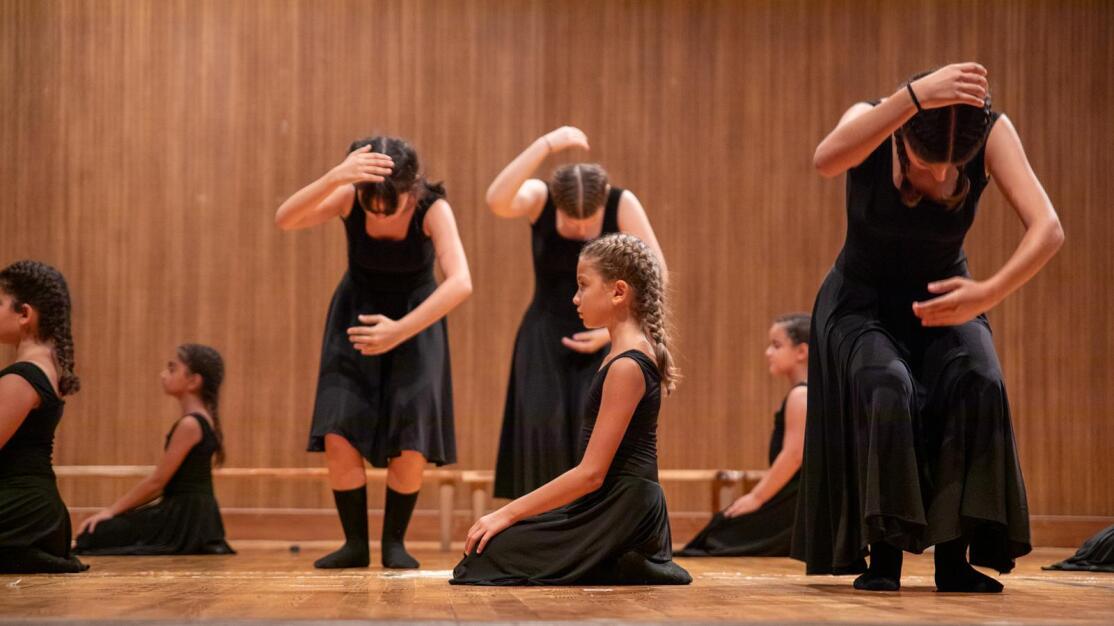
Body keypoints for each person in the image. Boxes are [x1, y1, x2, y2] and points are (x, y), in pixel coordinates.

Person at [792, 63, 1064, 593]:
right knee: (886, 385)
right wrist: (911, 97)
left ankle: (953, 560)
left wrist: (988, 292)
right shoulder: (875, 119)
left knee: (979, 381)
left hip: (948, 296)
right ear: (902, 136)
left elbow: (1048, 228)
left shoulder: (992, 131)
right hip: (861, 303)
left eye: (952, 167)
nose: (941, 178)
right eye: (925, 163)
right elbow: (825, 160)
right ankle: (884, 559)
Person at [275, 135, 472, 569]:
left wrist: (400, 331)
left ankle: (395, 544)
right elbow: (285, 219)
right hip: (356, 316)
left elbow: (461, 282)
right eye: (372, 206)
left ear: (412, 189)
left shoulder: (433, 208)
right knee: (339, 425)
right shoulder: (348, 195)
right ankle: (355, 544)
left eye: (390, 206)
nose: (379, 213)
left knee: (411, 432)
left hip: (416, 322)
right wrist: (335, 177)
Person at [451, 233, 689, 586]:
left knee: (486, 556)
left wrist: (505, 513)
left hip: (622, 512)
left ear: (618, 291)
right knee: (486, 554)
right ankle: (616, 561)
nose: (575, 298)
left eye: (583, 285)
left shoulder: (627, 365)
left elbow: (592, 474)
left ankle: (627, 559)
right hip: (610, 505)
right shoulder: (624, 354)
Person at [487, 126, 666, 500]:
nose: (583, 228)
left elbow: (657, 273)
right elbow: (497, 200)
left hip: (605, 337)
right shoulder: (540, 197)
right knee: (541, 429)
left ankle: (588, 516)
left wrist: (607, 333)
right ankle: (538, 517)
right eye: (572, 220)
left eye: (590, 219)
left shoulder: (621, 202)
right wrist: (545, 145)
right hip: (543, 337)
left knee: (593, 436)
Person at [74, 344, 234, 556]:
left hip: (183, 517)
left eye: (172, 369)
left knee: (93, 534)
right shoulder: (202, 420)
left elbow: (157, 483)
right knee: (99, 532)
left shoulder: (190, 424)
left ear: (193, 381)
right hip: (195, 514)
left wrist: (110, 511)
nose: (163, 374)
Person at [679, 313, 808, 557]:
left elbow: (794, 455)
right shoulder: (806, 393)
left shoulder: (801, 395)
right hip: (795, 500)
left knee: (716, 537)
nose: (768, 352)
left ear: (801, 351)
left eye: (776, 345)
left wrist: (756, 498)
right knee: (717, 531)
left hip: (795, 505)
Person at [0, 260, 87, 573]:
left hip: (20, 510)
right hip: (34, 510)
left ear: (25, 314)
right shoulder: (46, 367)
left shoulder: (22, 376)